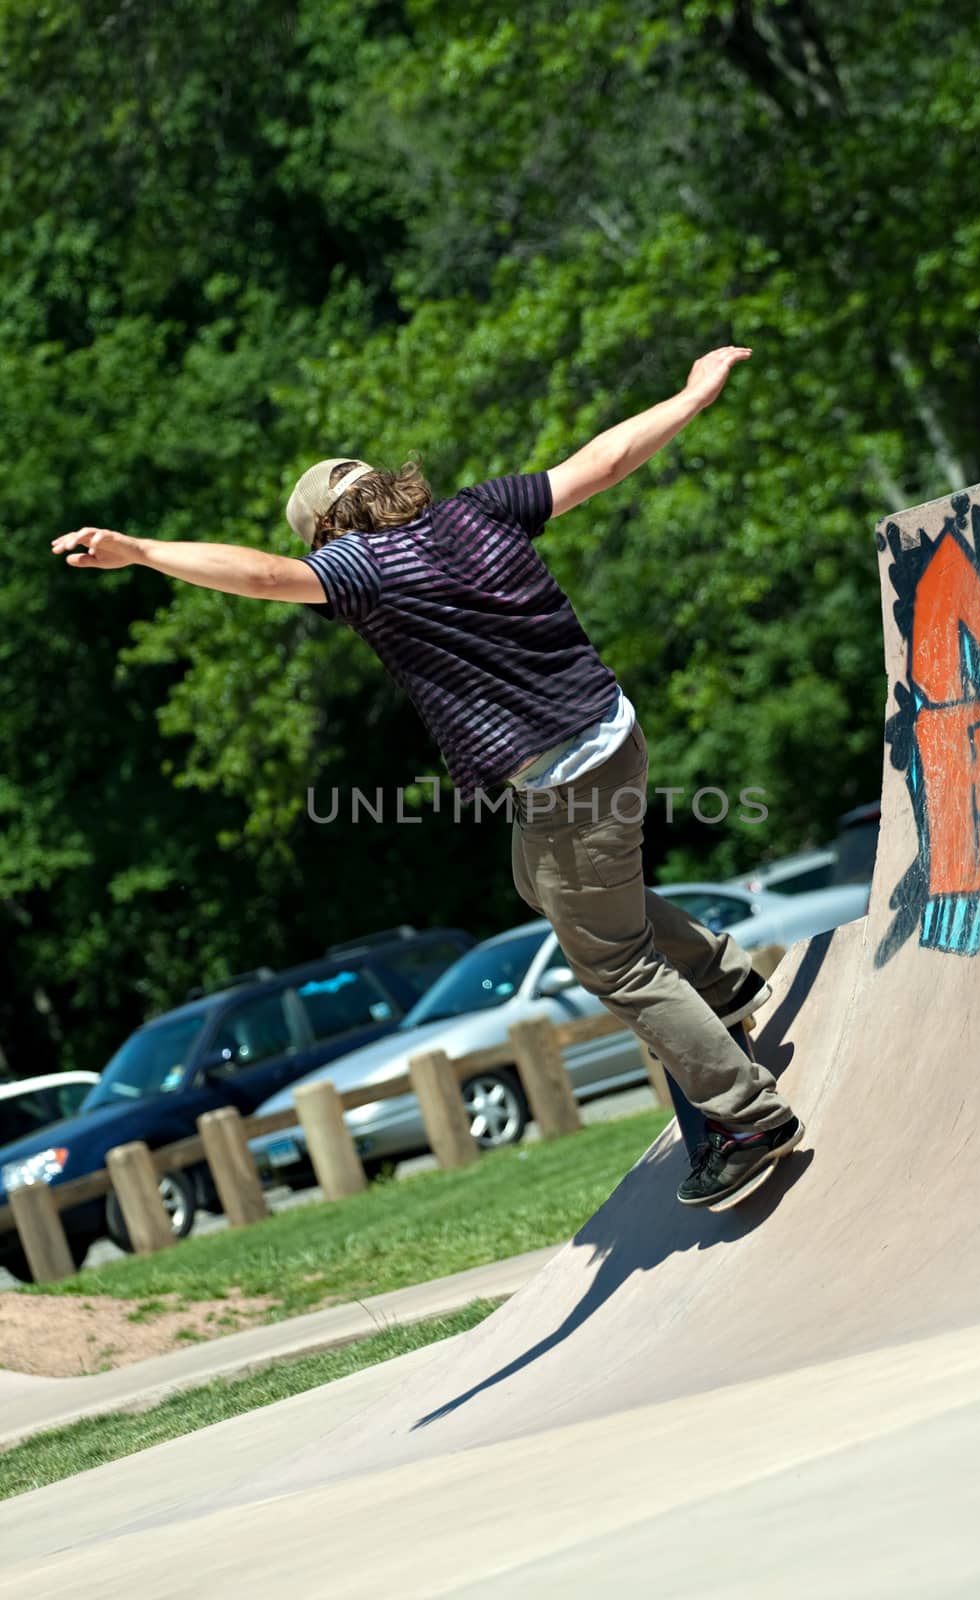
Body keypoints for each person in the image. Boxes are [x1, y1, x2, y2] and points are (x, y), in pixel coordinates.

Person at [52, 344, 802, 1205]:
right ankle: (720, 974)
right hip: (611, 732)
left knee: (614, 963)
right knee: (540, 883)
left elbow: (262, 575)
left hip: (563, 777)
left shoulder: (356, 571)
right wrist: (691, 396)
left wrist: (141, 549)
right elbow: (602, 460)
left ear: (328, 532)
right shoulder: (482, 509)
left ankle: (746, 1115)